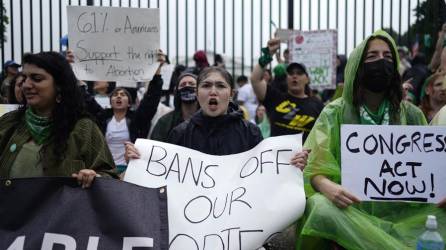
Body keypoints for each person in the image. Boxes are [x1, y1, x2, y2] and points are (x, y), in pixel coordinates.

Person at [297, 30, 445, 249]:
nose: (381, 62)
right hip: (349, 212)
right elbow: (314, 168)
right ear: (357, 64)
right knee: (319, 207)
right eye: (372, 57)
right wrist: (327, 187)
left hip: (405, 215)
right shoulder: (334, 113)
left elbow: (431, 169)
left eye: (387, 57)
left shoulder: (412, 114)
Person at [0, 52, 116, 187]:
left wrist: (94, 177)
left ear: (59, 85)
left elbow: (110, 178)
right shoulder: (9, 122)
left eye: (36, 78)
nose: (26, 85)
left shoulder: (83, 128)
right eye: (25, 78)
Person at [251, 38, 324, 141]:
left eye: (299, 73)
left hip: (305, 156)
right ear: (286, 78)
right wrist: (268, 54)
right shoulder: (275, 97)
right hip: (275, 156)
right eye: (291, 73)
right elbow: (255, 79)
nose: (295, 76)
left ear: (307, 79)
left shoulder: (318, 105)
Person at [150, 72, 199, 142]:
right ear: (177, 91)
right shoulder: (165, 122)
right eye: (183, 84)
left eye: (191, 84)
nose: (187, 86)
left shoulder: (208, 119)